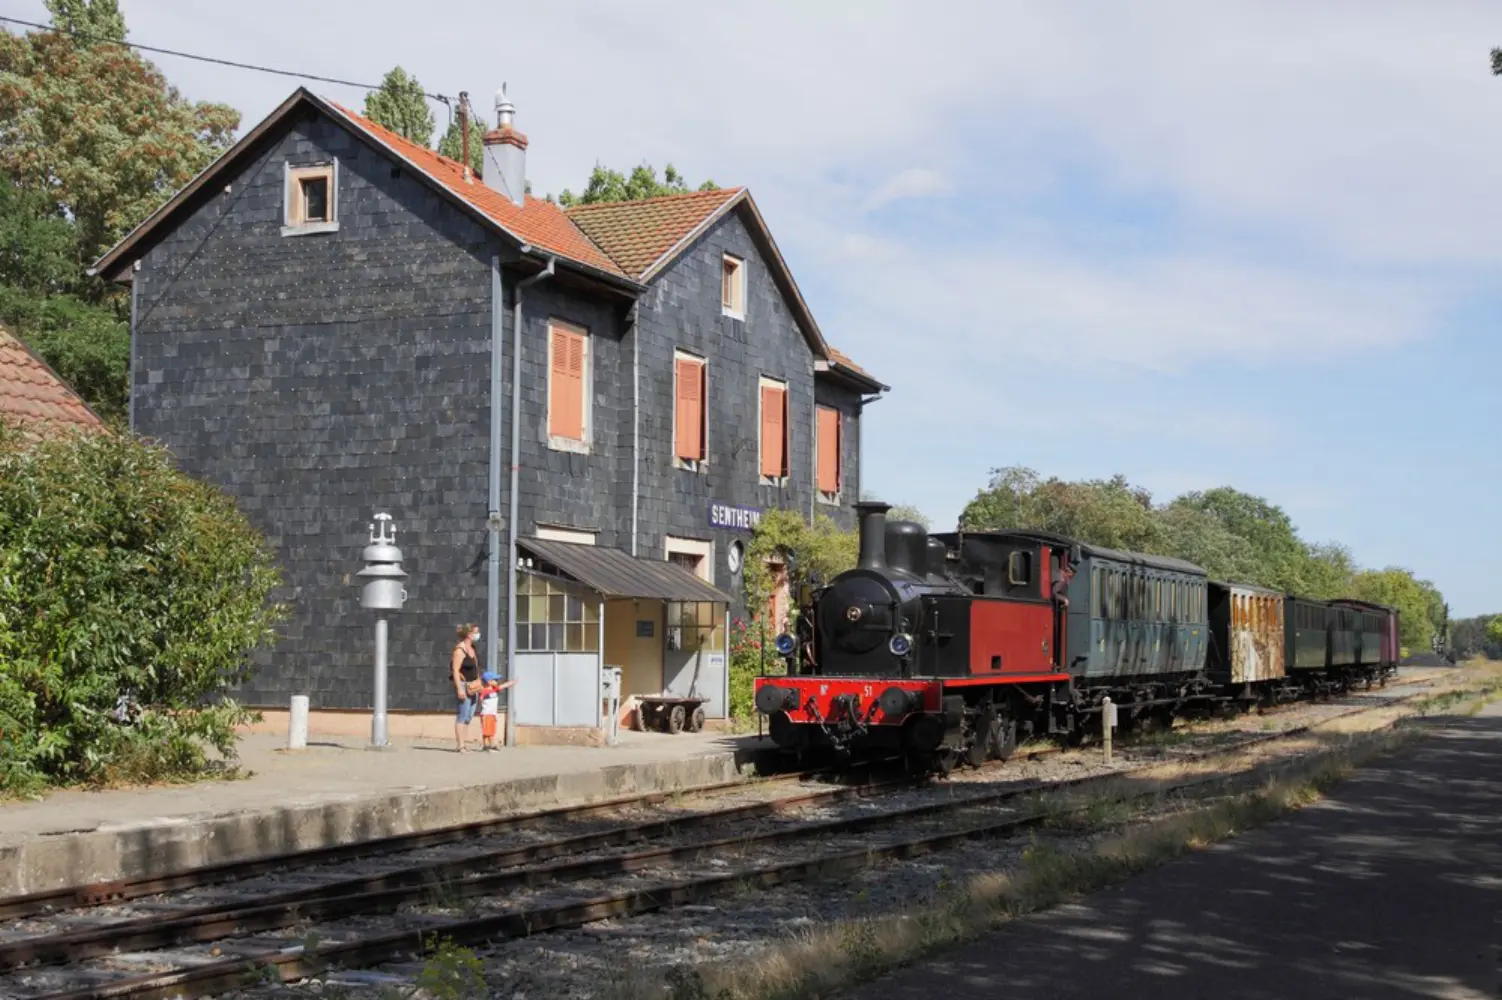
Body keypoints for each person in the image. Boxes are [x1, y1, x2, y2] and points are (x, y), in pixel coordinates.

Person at [451, 623, 483, 752]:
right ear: (469, 634)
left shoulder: (473, 648)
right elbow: (455, 670)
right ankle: (460, 745)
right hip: (464, 685)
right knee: (462, 715)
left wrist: (479, 680)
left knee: (469, 716)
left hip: (474, 685)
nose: (477, 634)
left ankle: (464, 741)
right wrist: (459, 688)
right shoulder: (460, 650)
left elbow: (476, 667)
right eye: (476, 632)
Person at [477, 671, 517, 751]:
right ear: (489, 681)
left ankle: (488, 745)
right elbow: (480, 701)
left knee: (491, 729)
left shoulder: (494, 689)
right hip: (486, 714)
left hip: (492, 714)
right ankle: (489, 745)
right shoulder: (484, 691)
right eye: (495, 680)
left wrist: (512, 682)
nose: (497, 681)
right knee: (486, 731)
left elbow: (503, 686)